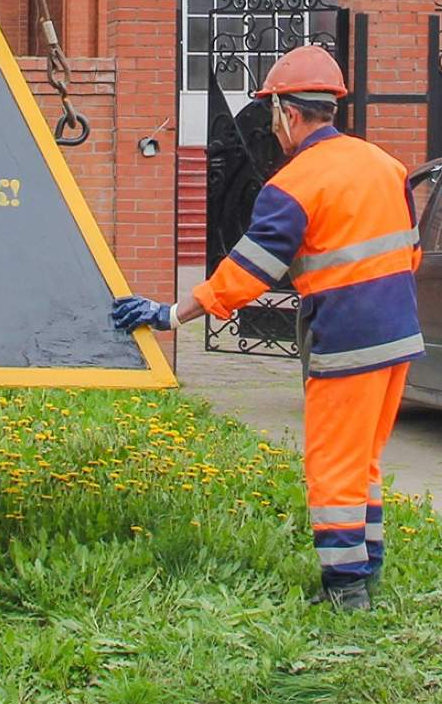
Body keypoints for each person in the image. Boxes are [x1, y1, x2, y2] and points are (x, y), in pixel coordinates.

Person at [109, 45, 421, 612]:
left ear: (289, 113)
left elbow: (247, 274)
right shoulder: (385, 164)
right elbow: (411, 252)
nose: (271, 128)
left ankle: (346, 593)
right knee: (364, 461)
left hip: (346, 341)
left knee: (331, 468)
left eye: (271, 115)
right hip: (398, 333)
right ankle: (367, 570)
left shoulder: (295, 183)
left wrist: (170, 314)